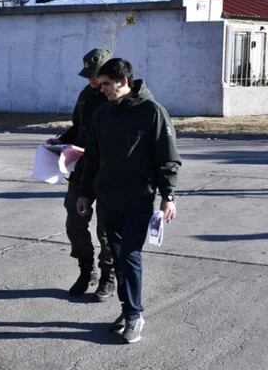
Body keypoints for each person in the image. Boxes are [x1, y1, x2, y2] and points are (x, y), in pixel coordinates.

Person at [76, 58, 181, 344]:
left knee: (129, 256)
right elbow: (92, 158)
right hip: (109, 199)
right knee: (119, 257)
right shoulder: (102, 114)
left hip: (138, 198)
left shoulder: (152, 112)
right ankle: (126, 309)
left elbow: (167, 158)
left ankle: (135, 314)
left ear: (123, 81)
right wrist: (85, 192)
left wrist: (168, 195)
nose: (102, 90)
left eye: (107, 84)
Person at [46, 48, 115, 300]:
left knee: (106, 229)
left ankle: (109, 275)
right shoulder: (86, 94)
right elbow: (79, 126)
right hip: (81, 170)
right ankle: (87, 270)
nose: (92, 80)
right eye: (89, 76)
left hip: (107, 172)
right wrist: (62, 140)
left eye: (96, 75)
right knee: (75, 224)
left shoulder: (116, 97)